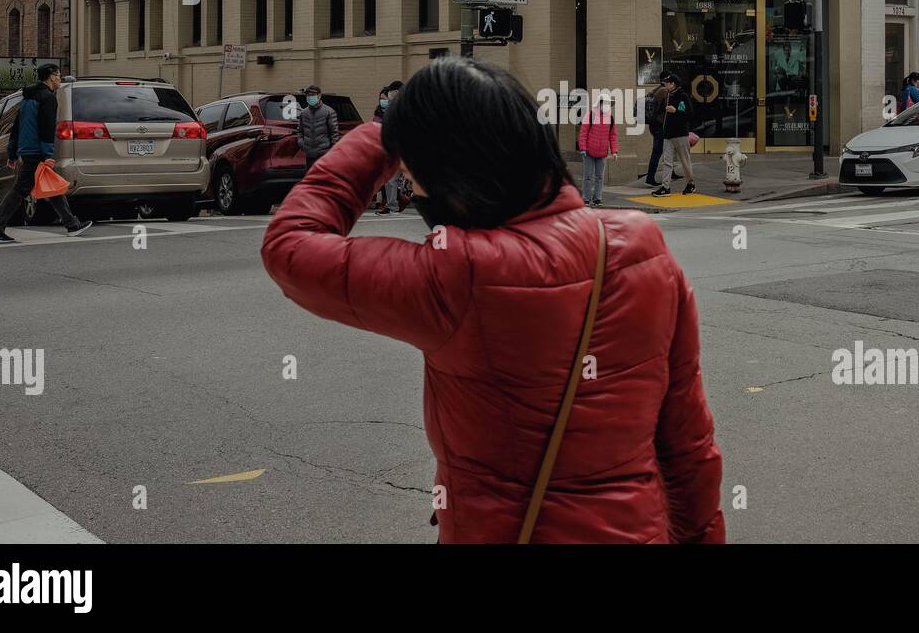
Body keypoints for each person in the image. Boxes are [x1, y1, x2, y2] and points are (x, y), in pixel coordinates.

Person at [260, 57, 725, 544]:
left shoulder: (457, 273)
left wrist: (380, 137)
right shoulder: (643, 247)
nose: (413, 190)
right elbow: (689, 448)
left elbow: (291, 245)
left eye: (412, 175)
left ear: (449, 176)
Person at [0, 63, 92, 243]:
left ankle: (71, 223)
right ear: (50, 77)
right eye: (58, 75)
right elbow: (47, 128)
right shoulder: (48, 98)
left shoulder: (27, 97)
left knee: (52, 185)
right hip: (37, 151)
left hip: (28, 150)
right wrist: (48, 155)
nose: (60, 78)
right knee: (20, 189)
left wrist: (12, 153)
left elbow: (17, 126)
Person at [652, 73, 696, 196]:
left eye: (667, 83)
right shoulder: (667, 95)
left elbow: (690, 114)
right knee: (667, 161)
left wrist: (675, 111)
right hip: (667, 134)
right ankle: (665, 187)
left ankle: (691, 184)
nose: (665, 84)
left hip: (680, 134)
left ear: (673, 84)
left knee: (685, 160)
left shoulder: (683, 96)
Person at [577, 93, 618, 207]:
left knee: (600, 177)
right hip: (589, 151)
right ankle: (586, 198)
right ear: (599, 103)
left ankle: (597, 198)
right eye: (605, 103)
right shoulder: (590, 115)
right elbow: (583, 133)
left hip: (602, 153)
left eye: (608, 103)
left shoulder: (610, 118)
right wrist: (583, 148)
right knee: (588, 176)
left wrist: (614, 151)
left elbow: (613, 135)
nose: (607, 105)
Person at [296, 85, 340, 171]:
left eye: (312, 95)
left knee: (323, 180)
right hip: (309, 154)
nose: (309, 97)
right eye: (308, 95)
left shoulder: (329, 111)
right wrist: (302, 143)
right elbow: (300, 131)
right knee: (311, 179)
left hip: (324, 153)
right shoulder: (304, 113)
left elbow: (334, 133)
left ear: (319, 95)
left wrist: (332, 151)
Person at [642, 80, 670, 187]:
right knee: (657, 152)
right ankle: (650, 178)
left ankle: (652, 177)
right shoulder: (664, 91)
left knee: (658, 152)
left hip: (653, 125)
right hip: (659, 125)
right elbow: (667, 107)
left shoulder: (656, 90)